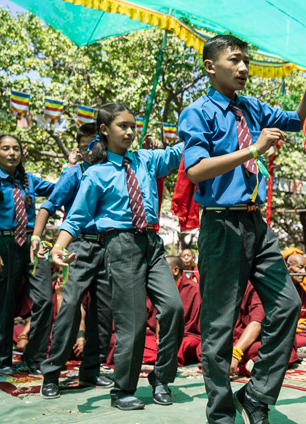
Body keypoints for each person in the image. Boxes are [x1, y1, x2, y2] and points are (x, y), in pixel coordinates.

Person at [179, 33, 306, 424]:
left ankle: (256, 393)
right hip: (220, 224)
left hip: (256, 223)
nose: (244, 67)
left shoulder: (252, 108)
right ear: (212, 67)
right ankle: (221, 414)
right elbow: (195, 170)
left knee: (288, 305)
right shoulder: (198, 113)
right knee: (219, 327)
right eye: (235, 60)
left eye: (246, 60)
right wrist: (253, 150)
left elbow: (298, 121)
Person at [50, 103, 185, 411]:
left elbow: (179, 154)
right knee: (132, 323)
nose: (129, 131)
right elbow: (76, 217)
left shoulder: (147, 160)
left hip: (152, 243)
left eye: (132, 126)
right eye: (122, 126)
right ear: (104, 130)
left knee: (173, 308)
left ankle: (161, 378)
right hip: (120, 246)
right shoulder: (95, 174)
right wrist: (59, 246)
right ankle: (122, 389)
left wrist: (200, 127)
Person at [38, 123, 115, 398]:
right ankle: (51, 373)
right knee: (70, 307)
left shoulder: (113, 170)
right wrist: (38, 238)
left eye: (95, 142)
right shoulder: (74, 172)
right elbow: (48, 205)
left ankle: (91, 370)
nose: (91, 148)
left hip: (109, 247)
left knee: (103, 312)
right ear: (79, 149)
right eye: (84, 144)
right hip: (79, 246)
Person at [0, 135, 55, 375]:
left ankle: (35, 357)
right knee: (4, 302)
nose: (12, 153)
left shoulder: (29, 180)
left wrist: (72, 166)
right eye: (6, 148)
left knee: (45, 300)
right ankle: (1, 360)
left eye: (16, 149)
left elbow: (58, 189)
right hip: (3, 243)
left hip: (32, 242)